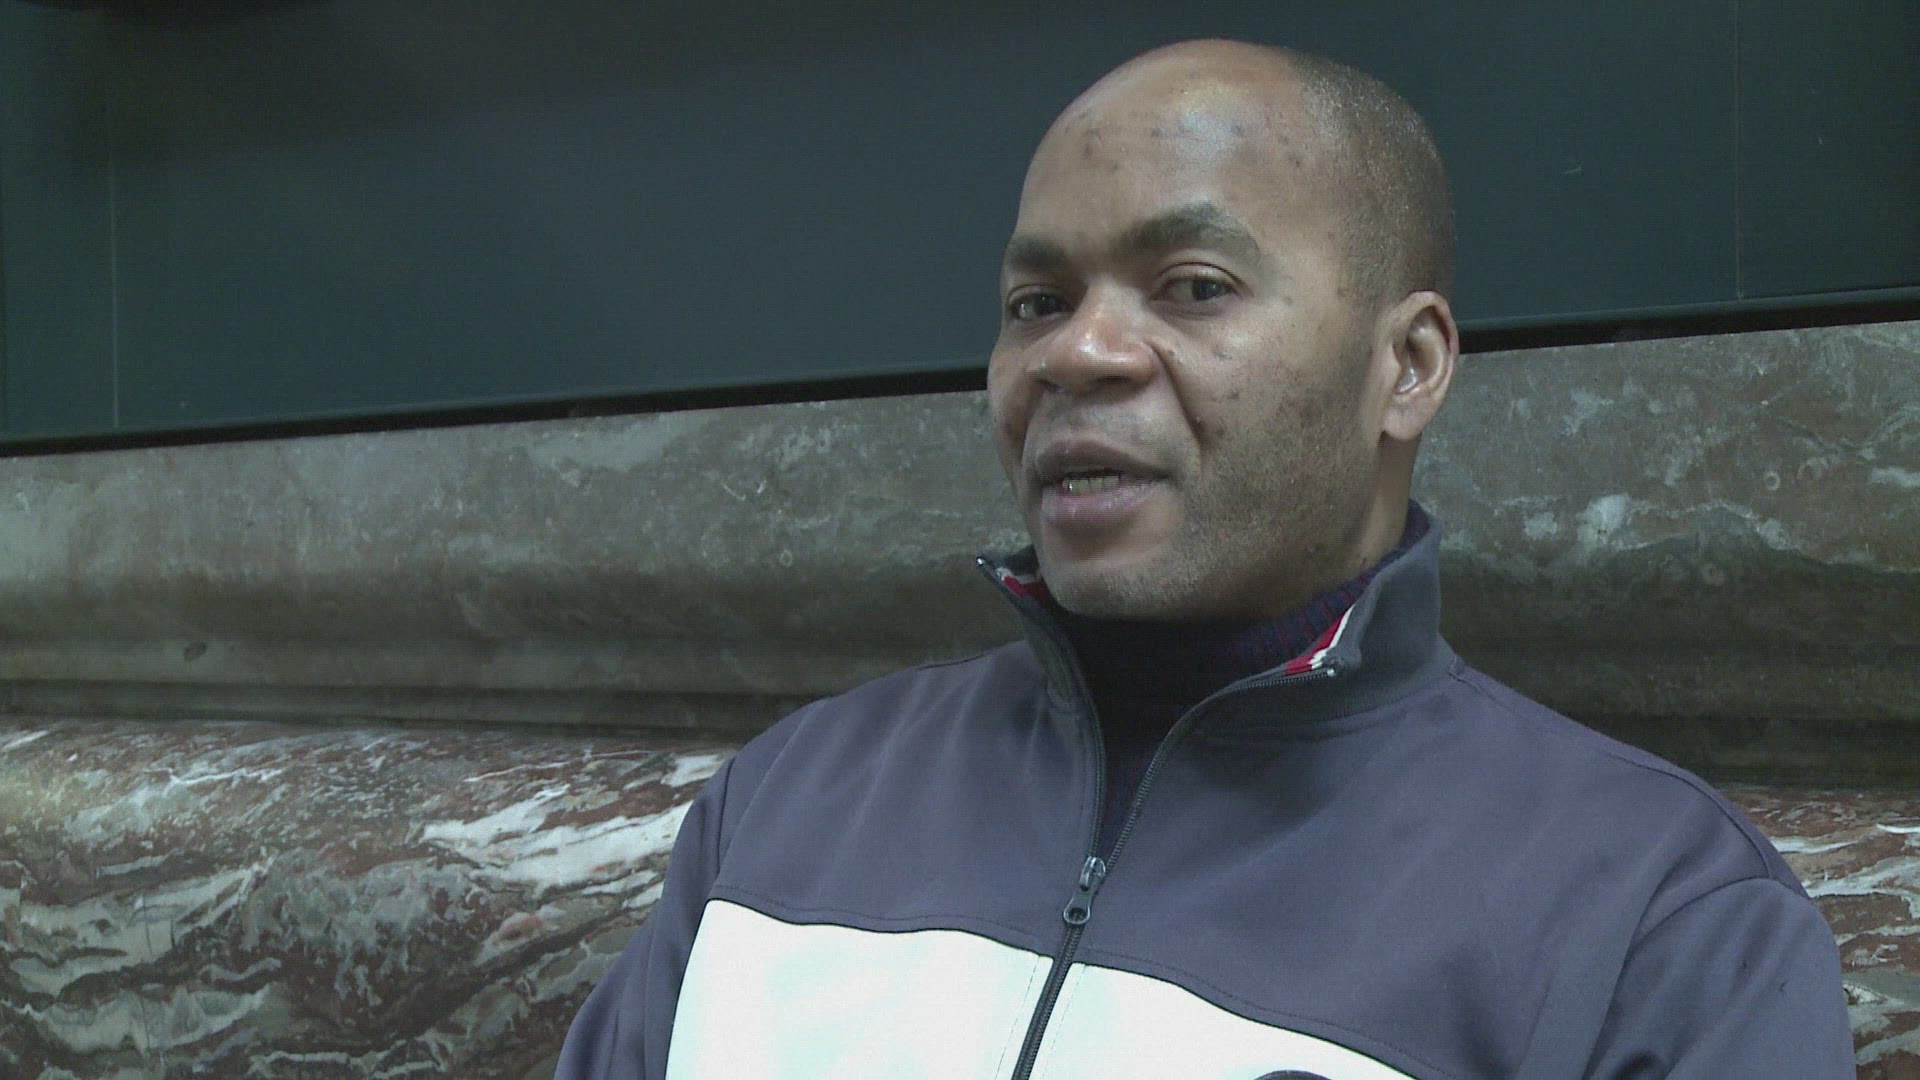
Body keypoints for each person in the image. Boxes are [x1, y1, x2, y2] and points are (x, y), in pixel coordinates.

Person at [557, 39, 1853, 1079]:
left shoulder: (1661, 922)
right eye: (1037, 304)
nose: (1078, 354)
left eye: (1193, 287)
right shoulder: (786, 806)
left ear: (1406, 367)